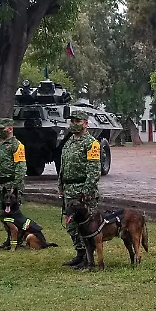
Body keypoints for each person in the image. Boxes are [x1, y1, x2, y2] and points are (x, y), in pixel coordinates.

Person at [58, 110, 102, 269]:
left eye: (77, 121)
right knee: (71, 226)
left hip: (83, 192)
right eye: (72, 121)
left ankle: (89, 258)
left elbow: (94, 170)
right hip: (69, 191)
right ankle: (80, 254)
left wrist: (87, 191)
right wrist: (61, 186)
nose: (73, 124)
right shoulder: (69, 142)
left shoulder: (92, 143)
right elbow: (63, 167)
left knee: (87, 226)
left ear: (85, 123)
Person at [0, 118, 26, 249]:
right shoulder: (2, 145)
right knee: (2, 214)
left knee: (13, 214)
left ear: (10, 129)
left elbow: (21, 167)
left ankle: (17, 240)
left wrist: (14, 187)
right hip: (2, 185)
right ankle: (10, 238)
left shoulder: (17, 145)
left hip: (11, 185)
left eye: (2, 129)